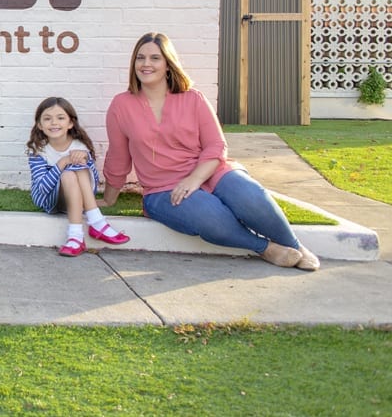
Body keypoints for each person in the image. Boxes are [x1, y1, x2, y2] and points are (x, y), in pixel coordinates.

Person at [101, 32, 319, 270]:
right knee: (211, 217)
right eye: (140, 58)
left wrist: (194, 179)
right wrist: (109, 199)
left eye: (155, 58)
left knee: (251, 196)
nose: (146, 64)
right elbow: (119, 157)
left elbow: (216, 146)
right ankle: (266, 248)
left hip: (211, 171)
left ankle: (295, 246)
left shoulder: (193, 98)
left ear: (167, 64)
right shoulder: (121, 105)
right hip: (162, 188)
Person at [27, 96, 130, 257]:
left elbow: (92, 183)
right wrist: (62, 162)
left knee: (76, 169)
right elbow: (42, 188)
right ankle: (97, 222)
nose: (54, 123)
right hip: (50, 200)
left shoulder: (79, 146)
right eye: (47, 119)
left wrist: (85, 159)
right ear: (40, 125)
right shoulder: (38, 151)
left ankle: (76, 238)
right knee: (67, 173)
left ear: (70, 123)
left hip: (81, 200)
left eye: (60, 118)